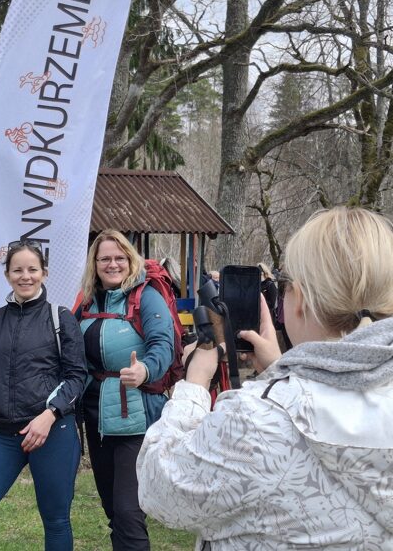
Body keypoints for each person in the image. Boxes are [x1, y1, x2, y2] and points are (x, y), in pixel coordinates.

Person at [137, 206, 393, 549]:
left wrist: (194, 384)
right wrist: (281, 370)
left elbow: (160, 488)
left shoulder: (258, 422)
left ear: (300, 300)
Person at [0, 240, 87, 551]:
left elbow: (76, 377)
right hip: (1, 434)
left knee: (56, 520)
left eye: (32, 269)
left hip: (52, 432)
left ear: (44, 273)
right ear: (7, 275)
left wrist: (50, 415)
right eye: (17, 270)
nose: (26, 276)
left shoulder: (60, 317)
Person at [79, 229, 174, 551]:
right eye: (105, 258)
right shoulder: (88, 300)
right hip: (96, 416)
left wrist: (144, 369)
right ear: (94, 263)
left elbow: (163, 344)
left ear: (130, 260)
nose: (112, 264)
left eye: (119, 257)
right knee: (113, 510)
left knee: (128, 511)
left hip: (136, 415)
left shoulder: (146, 296)